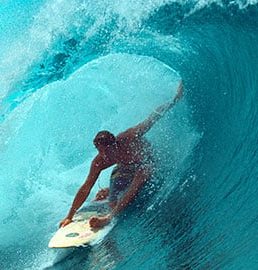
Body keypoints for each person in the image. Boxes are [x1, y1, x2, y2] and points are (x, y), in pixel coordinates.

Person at [59, 80, 184, 229]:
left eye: (106, 150)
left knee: (143, 172)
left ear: (115, 144)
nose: (104, 155)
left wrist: (175, 99)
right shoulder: (100, 161)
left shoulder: (130, 137)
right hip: (127, 168)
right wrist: (69, 216)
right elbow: (86, 186)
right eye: (100, 151)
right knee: (112, 201)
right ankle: (109, 192)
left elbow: (154, 117)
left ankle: (108, 217)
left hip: (150, 164)